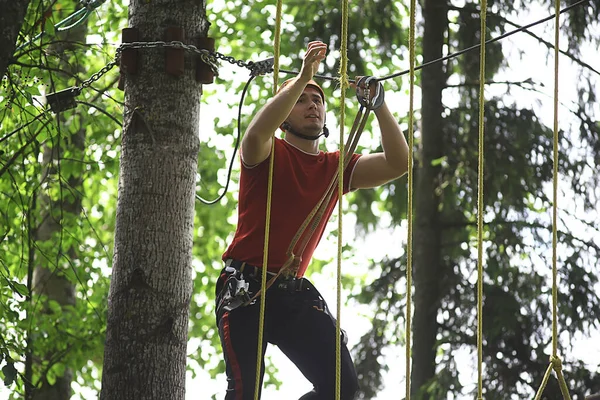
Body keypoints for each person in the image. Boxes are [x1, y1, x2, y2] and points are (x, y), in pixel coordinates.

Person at [215, 40, 410, 400]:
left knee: (341, 388)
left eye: (317, 99)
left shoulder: (335, 168)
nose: (313, 105)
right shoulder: (266, 154)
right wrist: (303, 76)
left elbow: (398, 164)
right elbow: (257, 133)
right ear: (285, 114)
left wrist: (380, 106)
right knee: (244, 392)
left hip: (291, 292)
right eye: (302, 99)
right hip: (245, 286)